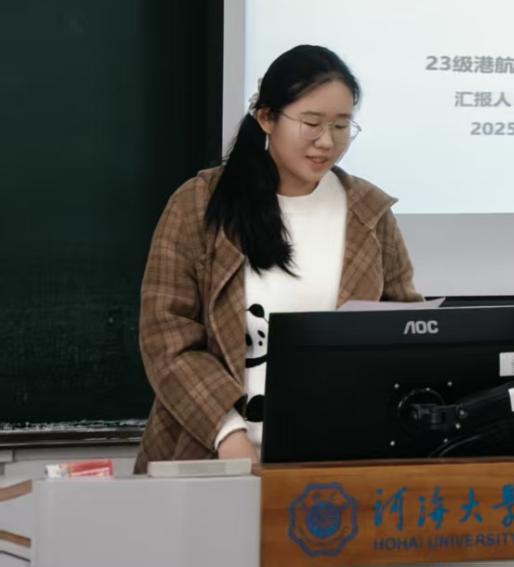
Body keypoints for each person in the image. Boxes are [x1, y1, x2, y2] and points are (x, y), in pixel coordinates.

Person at [134, 46, 421, 472]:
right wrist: (228, 433)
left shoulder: (368, 211)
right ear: (267, 118)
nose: (327, 141)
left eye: (341, 125)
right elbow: (166, 335)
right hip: (211, 456)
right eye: (312, 123)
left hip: (335, 458)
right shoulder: (199, 205)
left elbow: (405, 327)